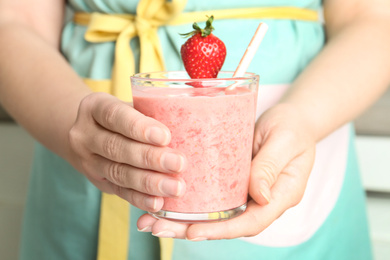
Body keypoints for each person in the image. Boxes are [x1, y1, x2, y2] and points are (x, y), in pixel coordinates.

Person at [0, 0, 389, 259]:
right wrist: (75, 123)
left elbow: (372, 17)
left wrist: (303, 118)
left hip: (295, 130)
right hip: (80, 155)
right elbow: (14, 19)